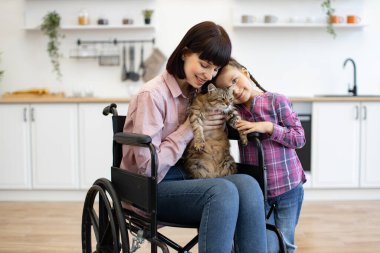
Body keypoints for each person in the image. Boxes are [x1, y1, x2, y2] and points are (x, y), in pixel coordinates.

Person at [120, 22, 267, 253]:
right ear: (185, 53)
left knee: (248, 184)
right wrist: (188, 128)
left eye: (215, 69)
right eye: (204, 64)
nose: (208, 75)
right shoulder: (152, 95)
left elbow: (229, 103)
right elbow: (146, 168)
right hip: (150, 186)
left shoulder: (200, 92)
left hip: (189, 176)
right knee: (223, 192)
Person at [214, 58, 307, 253]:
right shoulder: (233, 114)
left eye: (234, 80)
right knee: (264, 246)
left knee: (286, 243)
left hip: (288, 188)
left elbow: (299, 138)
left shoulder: (276, 101)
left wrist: (268, 127)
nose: (235, 90)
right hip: (258, 192)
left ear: (245, 73)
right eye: (226, 89)